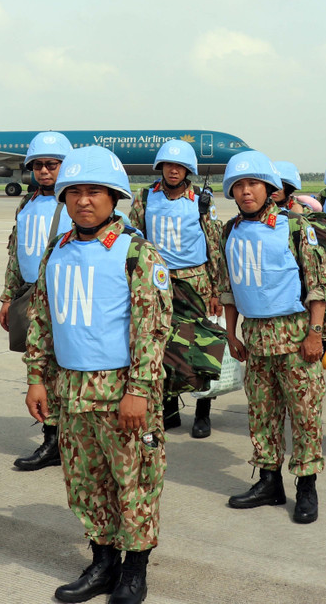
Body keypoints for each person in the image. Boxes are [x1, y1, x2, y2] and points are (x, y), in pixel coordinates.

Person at [24, 145, 171, 604]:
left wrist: (140, 391)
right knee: (86, 482)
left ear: (114, 198)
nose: (83, 201)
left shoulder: (136, 253)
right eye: (74, 192)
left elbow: (152, 328)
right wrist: (36, 378)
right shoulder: (58, 249)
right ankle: (102, 561)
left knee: (134, 482)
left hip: (121, 390)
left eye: (93, 192)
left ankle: (134, 570)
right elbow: (42, 322)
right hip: (71, 390)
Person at [217, 150, 326, 524]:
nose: (246, 191)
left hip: (296, 335)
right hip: (254, 337)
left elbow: (318, 286)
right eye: (239, 186)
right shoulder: (230, 230)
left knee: (304, 414)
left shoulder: (296, 227)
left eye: (253, 184)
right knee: (261, 414)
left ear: (269, 188)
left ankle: (306, 486)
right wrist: (232, 334)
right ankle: (269, 482)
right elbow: (228, 287)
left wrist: (315, 334)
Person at [128, 138, 224, 438]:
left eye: (180, 166)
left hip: (195, 281)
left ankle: (202, 413)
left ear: (189, 170)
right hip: (158, 282)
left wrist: (216, 290)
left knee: (202, 347)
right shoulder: (145, 198)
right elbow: (134, 236)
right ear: (160, 167)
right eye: (169, 165)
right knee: (161, 343)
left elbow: (214, 246)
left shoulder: (202, 201)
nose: (173, 171)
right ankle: (169, 411)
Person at [0, 131, 73, 471]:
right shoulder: (26, 202)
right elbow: (16, 252)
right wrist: (7, 297)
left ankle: (65, 439)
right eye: (38, 166)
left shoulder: (72, 203)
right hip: (30, 295)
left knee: (63, 370)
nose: (44, 171)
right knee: (40, 368)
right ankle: (52, 439)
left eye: (52, 165)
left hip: (63, 297)